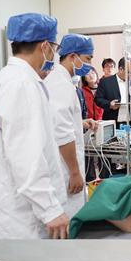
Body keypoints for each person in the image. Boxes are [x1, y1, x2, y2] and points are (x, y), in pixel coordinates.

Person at [0, 13, 69, 240]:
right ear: (45, 46)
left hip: (11, 210)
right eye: (54, 48)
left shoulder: (5, 77)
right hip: (22, 219)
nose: (54, 55)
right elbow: (26, 155)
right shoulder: (21, 84)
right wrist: (50, 209)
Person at [49, 34, 98, 220]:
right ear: (72, 56)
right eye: (88, 59)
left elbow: (61, 119)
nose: (90, 65)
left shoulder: (63, 82)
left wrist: (81, 123)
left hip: (65, 164)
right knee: (69, 217)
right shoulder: (60, 84)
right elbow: (62, 133)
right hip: (65, 169)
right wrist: (75, 172)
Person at [95, 57, 131, 127]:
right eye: (129, 72)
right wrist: (109, 104)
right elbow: (98, 99)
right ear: (120, 69)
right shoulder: (105, 82)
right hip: (112, 122)